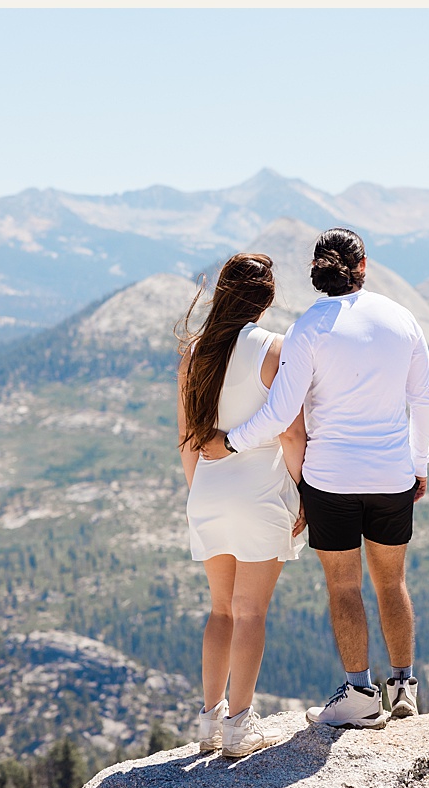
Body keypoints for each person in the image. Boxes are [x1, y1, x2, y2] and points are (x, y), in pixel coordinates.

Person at [213, 228, 429, 730]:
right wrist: (418, 464)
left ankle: (359, 692)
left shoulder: (307, 328)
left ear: (316, 271)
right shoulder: (401, 319)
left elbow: (280, 413)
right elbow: (424, 401)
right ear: (363, 266)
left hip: (331, 479)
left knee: (344, 587)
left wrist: (229, 442)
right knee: (392, 581)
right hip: (391, 474)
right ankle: (404, 686)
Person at [178, 253, 308, 758]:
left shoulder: (196, 353)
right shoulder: (274, 350)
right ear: (267, 298)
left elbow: (188, 439)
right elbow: (293, 433)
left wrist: (199, 495)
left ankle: (209, 724)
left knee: (220, 611)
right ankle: (239, 728)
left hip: (208, 490)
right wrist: (304, 495)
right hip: (260, 494)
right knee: (251, 612)